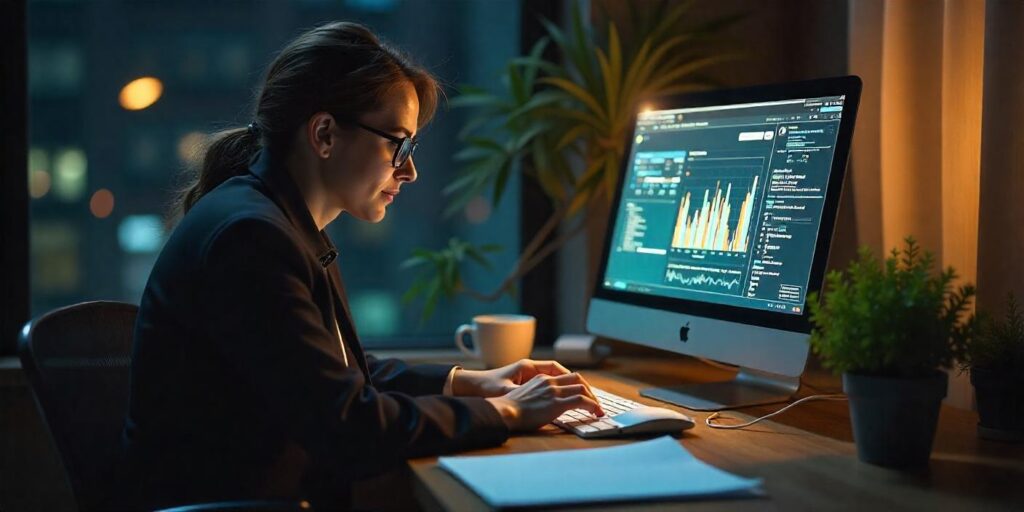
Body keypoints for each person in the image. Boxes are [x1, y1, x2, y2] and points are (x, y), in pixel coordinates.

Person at [120, 21, 605, 510]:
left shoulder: (280, 222)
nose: (409, 169)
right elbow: (347, 426)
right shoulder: (252, 238)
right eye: (399, 144)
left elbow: (332, 375)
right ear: (325, 134)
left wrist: (466, 382)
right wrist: (502, 412)